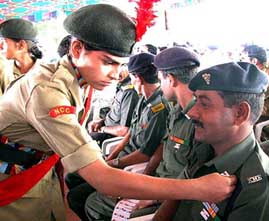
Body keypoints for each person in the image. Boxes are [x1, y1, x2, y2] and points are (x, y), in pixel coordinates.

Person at [0, 4, 236, 221]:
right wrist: (198, 188)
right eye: (108, 62)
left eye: (121, 65)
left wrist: (64, 203)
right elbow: (102, 179)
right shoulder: (47, 92)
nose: (116, 74)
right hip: (12, 183)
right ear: (77, 48)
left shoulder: (78, 79)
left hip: (39, 174)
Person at [84, 46, 202, 220]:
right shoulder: (176, 111)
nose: (159, 85)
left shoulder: (198, 122)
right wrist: (142, 181)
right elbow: (161, 147)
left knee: (94, 203)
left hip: (172, 196)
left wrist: (151, 195)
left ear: (170, 79)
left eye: (160, 79)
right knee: (95, 197)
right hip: (157, 182)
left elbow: (191, 178)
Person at [153, 62, 269, 221]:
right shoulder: (205, 146)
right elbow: (175, 199)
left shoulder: (257, 189)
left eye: (204, 104)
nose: (192, 112)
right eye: (196, 100)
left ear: (240, 113)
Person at [66, 63, 139, 220]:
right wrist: (102, 122)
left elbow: (125, 131)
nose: (115, 73)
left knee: (78, 195)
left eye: (121, 67)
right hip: (118, 146)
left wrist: (102, 131)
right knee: (72, 177)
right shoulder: (121, 88)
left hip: (121, 149)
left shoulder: (131, 93)